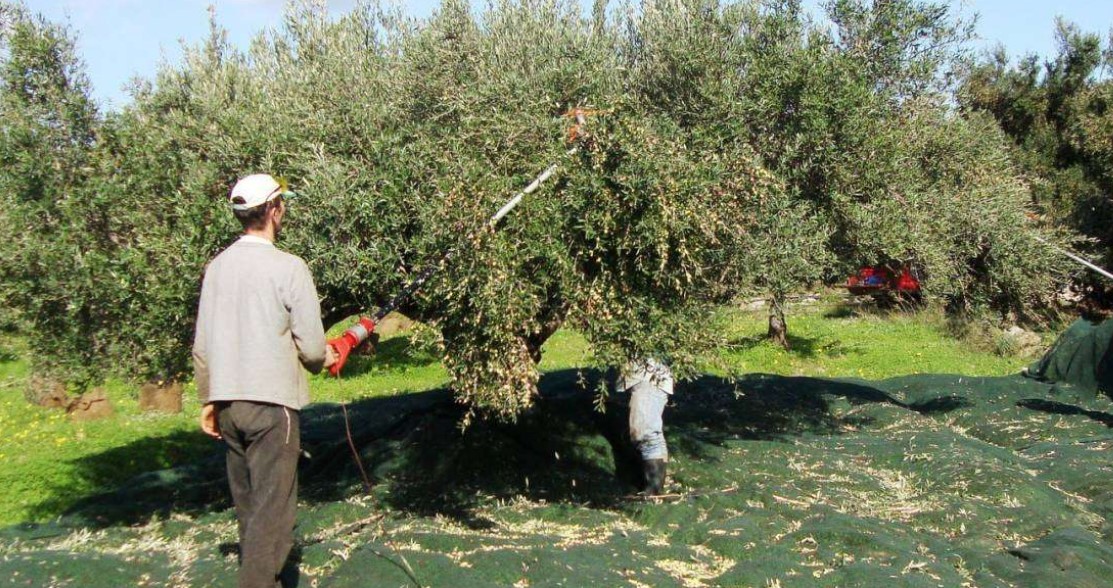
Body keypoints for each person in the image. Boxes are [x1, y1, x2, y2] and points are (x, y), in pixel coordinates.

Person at [193, 173, 337, 588]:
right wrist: (324, 356)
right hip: (273, 409)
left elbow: (202, 345)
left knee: (250, 511)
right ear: (274, 210)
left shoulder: (216, 268)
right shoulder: (289, 267)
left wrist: (209, 400)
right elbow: (311, 348)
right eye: (283, 204)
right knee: (272, 521)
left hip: (229, 408)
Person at [616, 358, 673, 495]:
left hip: (648, 377)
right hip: (643, 376)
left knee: (646, 434)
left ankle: (653, 490)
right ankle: (654, 488)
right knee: (649, 433)